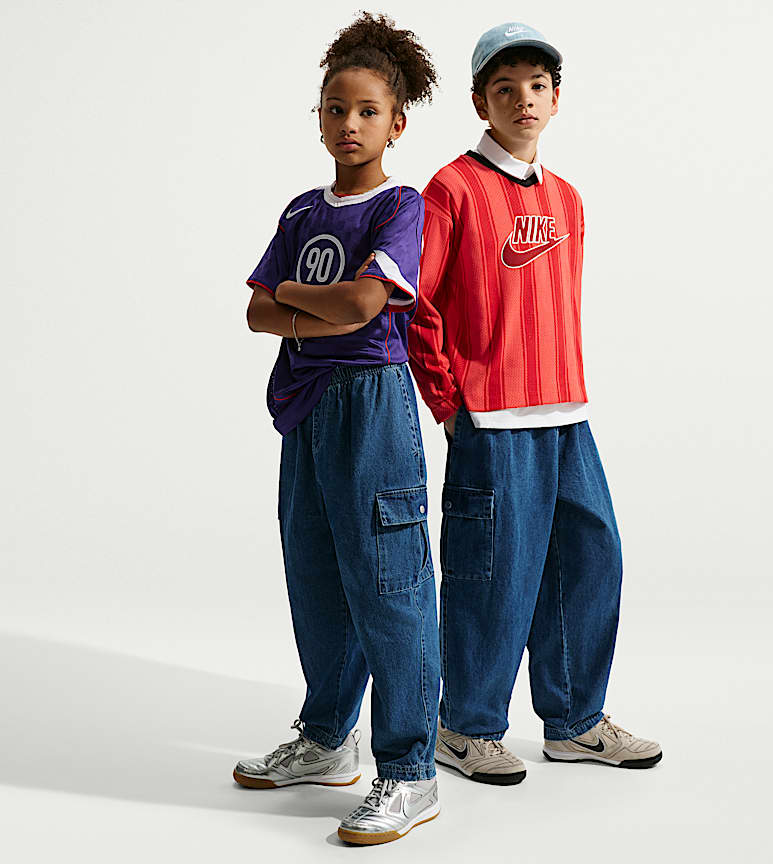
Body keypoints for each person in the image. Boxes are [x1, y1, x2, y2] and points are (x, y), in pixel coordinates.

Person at [407, 22, 662, 786]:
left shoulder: (567, 198)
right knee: (493, 575)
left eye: (538, 86)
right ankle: (466, 725)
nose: (524, 98)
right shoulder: (452, 189)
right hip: (492, 420)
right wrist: (450, 401)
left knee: (591, 558)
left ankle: (575, 721)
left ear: (556, 99)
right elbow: (415, 303)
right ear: (480, 101)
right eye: (505, 86)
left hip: (567, 414)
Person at [234, 12, 441, 844]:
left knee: (389, 582)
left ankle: (411, 771)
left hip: (373, 404)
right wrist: (306, 310)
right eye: (334, 108)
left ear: (396, 123)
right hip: (306, 407)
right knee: (317, 576)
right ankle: (326, 739)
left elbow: (364, 304)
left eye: (366, 111)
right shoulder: (299, 211)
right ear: (318, 117)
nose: (349, 123)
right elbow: (254, 313)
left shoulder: (400, 207)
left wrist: (293, 301)